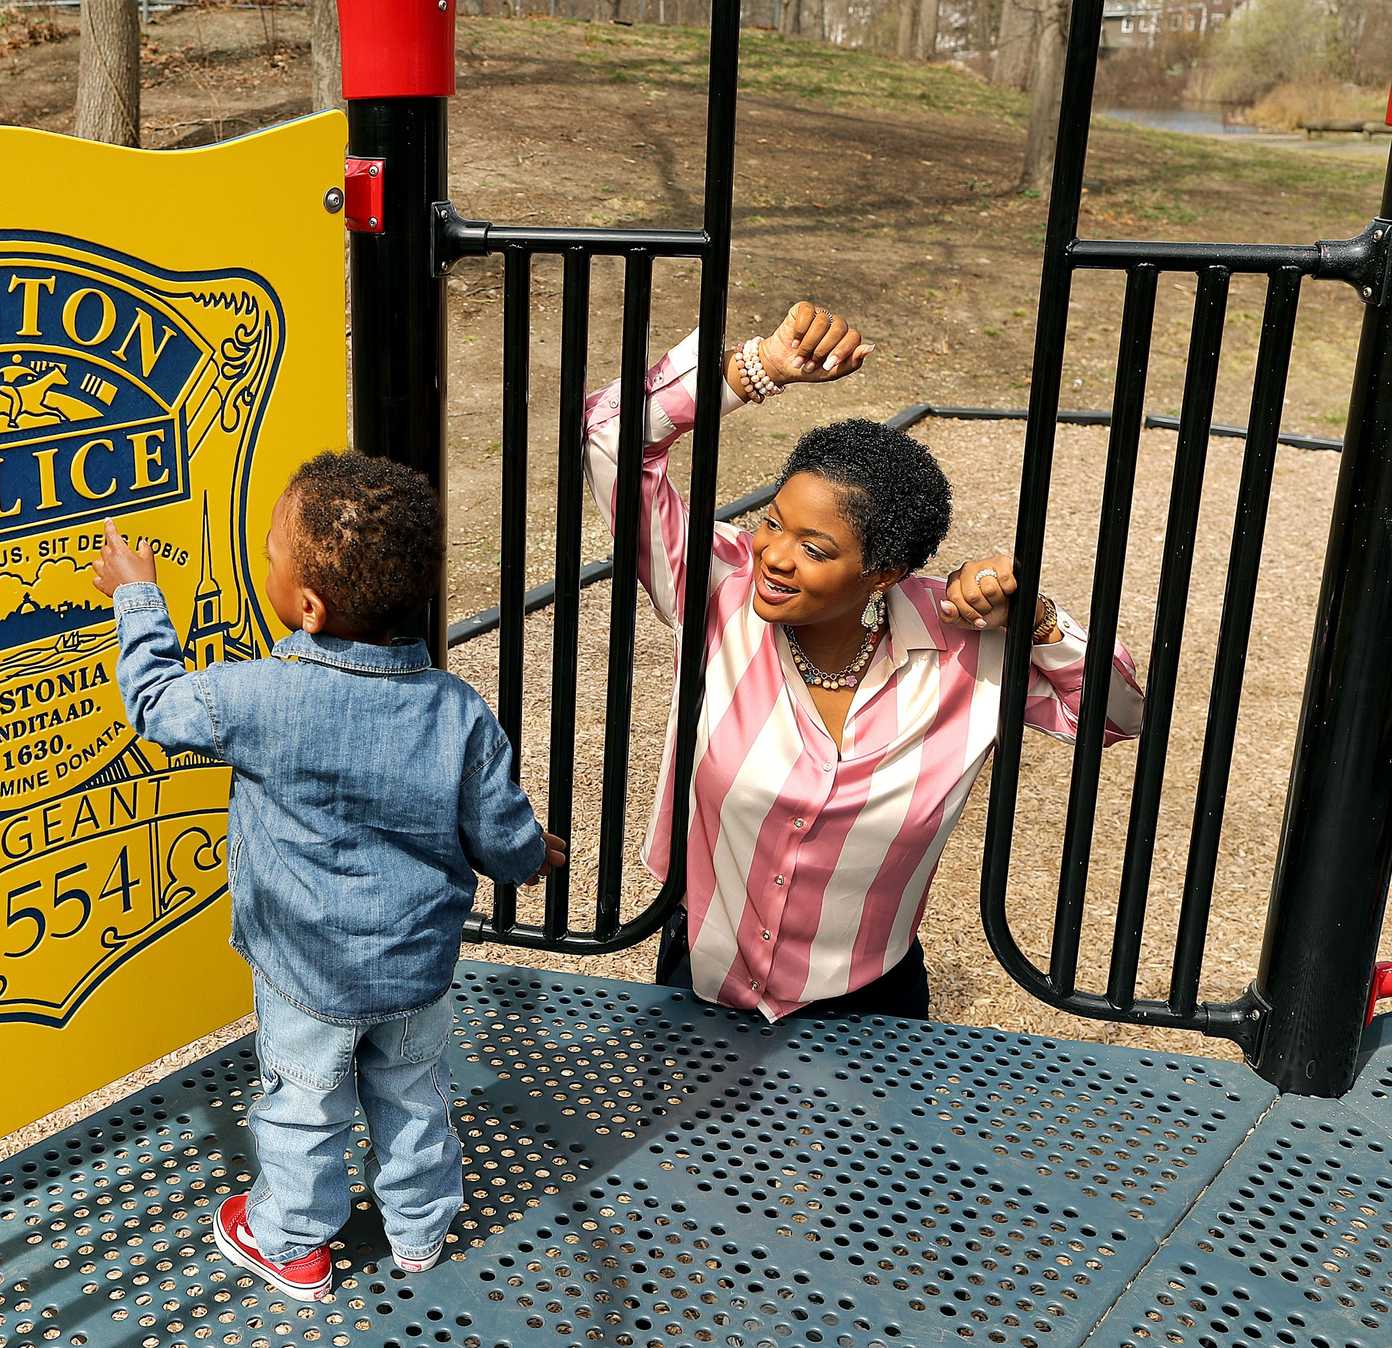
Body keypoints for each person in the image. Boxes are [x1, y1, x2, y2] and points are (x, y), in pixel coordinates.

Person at [91, 453, 567, 1300]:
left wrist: (138, 596)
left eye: (271, 553)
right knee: (414, 1096)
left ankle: (290, 1241)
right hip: (417, 972)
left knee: (303, 1106)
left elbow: (158, 704)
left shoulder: (257, 697)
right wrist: (536, 855)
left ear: (306, 604)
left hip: (306, 974)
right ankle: (420, 1229)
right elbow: (502, 834)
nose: (267, 561)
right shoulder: (456, 710)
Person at [584, 303, 1143, 1020]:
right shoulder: (717, 586)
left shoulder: (965, 651)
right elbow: (610, 439)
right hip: (701, 976)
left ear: (884, 574)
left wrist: (1038, 620)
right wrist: (756, 370)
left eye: (815, 549)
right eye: (773, 523)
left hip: (869, 1008)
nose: (775, 557)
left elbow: (1116, 716)